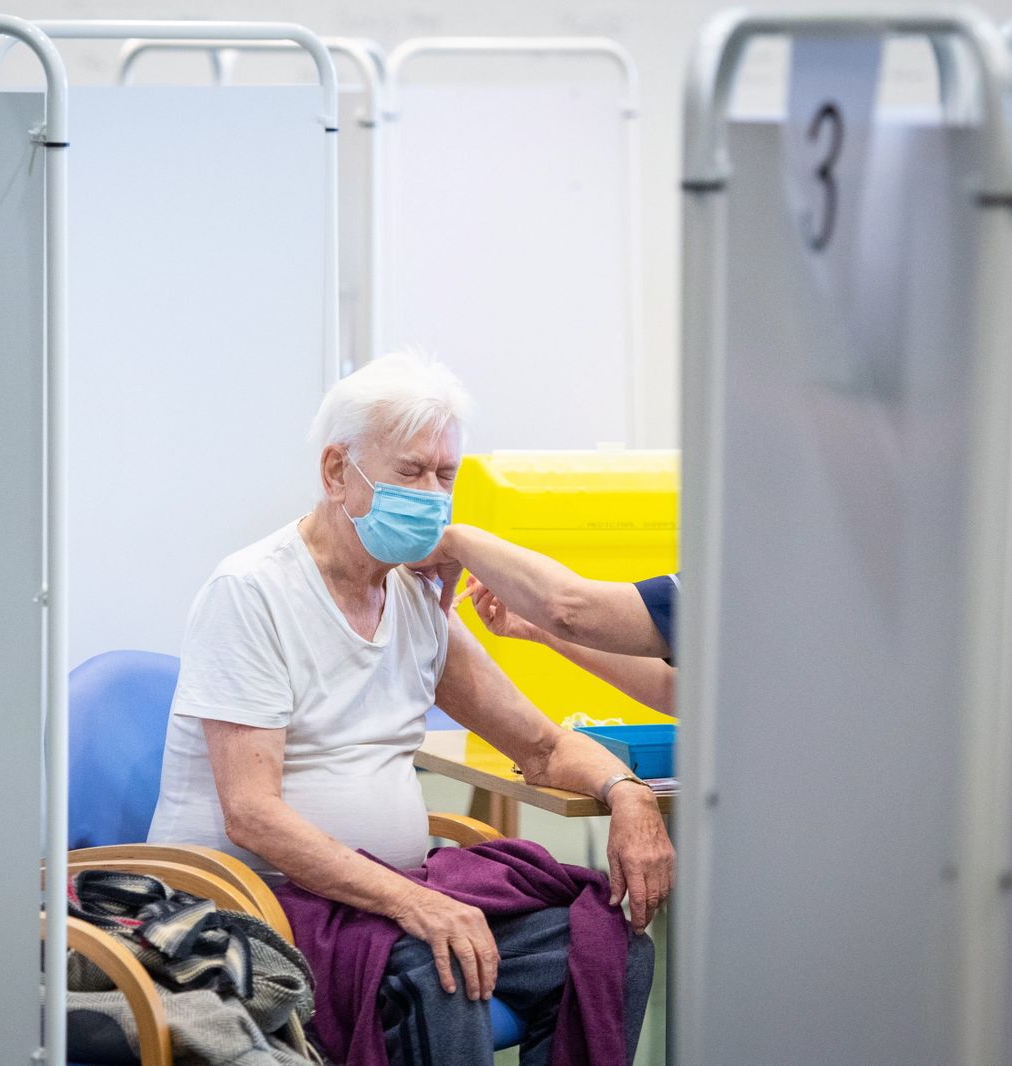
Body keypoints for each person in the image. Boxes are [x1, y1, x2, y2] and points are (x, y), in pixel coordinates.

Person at [148, 352, 670, 1066]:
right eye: (410, 472)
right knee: (444, 970)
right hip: (259, 902)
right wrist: (409, 901)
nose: (431, 494)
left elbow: (543, 748)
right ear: (337, 473)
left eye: (444, 475)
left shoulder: (418, 599)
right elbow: (253, 814)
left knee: (606, 947)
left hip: (386, 900)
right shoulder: (252, 592)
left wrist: (627, 793)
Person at [423, 525, 681, 713]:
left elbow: (569, 609)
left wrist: (455, 540)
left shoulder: (715, 588)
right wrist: (539, 626)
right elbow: (678, 692)